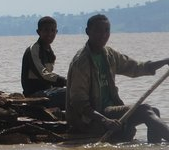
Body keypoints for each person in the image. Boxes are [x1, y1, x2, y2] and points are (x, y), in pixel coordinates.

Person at [66, 14, 169, 142]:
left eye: (106, 30)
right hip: (92, 118)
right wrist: (105, 120)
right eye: (98, 30)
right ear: (88, 32)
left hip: (110, 110)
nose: (103, 35)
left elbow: (136, 67)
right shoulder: (81, 62)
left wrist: (164, 62)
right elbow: (78, 102)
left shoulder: (109, 54)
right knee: (145, 110)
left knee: (154, 111)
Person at [21, 16, 66, 108]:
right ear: (39, 32)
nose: (49, 34)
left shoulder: (50, 52)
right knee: (68, 93)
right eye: (46, 30)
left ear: (56, 32)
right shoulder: (33, 49)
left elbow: (50, 78)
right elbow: (43, 74)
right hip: (34, 95)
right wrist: (64, 81)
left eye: (53, 30)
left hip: (47, 92)